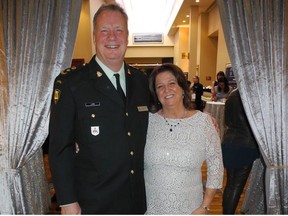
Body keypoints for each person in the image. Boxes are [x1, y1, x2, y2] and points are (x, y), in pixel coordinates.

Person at [48, 3, 150, 214]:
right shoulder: (71, 83)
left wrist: (192, 117)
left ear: (127, 36)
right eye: (104, 31)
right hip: (93, 202)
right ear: (94, 37)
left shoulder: (141, 80)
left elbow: (160, 117)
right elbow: (60, 147)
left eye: (119, 30)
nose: (112, 37)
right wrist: (67, 200)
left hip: (136, 200)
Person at [144, 63, 224, 214]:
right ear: (155, 93)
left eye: (172, 83)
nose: (166, 90)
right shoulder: (146, 122)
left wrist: (205, 206)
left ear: (182, 87)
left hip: (190, 209)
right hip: (152, 209)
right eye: (160, 86)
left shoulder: (203, 123)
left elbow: (216, 167)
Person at [221, 89, 260, 214]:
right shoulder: (252, 94)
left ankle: (226, 213)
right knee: (236, 186)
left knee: (230, 184)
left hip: (229, 142)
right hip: (246, 145)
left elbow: (226, 121)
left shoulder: (232, 94)